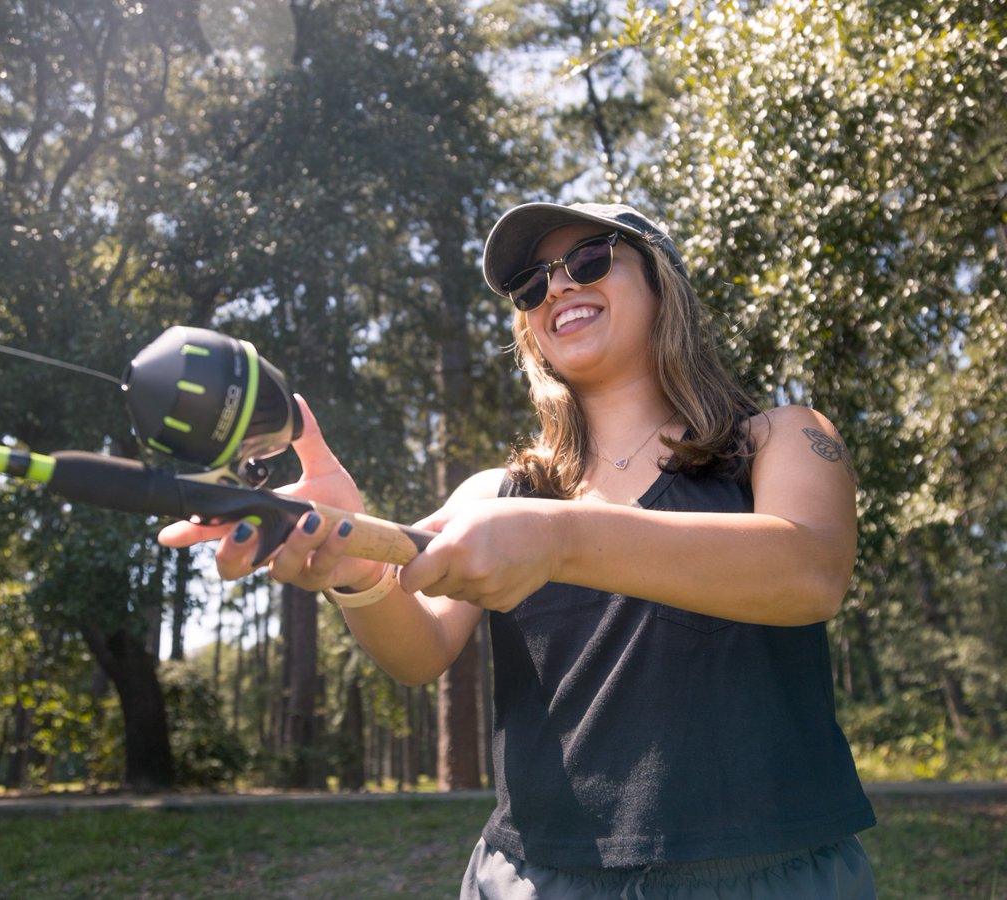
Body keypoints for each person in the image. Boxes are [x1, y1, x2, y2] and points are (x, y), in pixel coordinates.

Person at [159, 201, 878, 898]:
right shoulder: (498, 492)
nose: (556, 287)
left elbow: (810, 573)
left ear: (663, 283)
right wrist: (355, 566)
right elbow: (419, 652)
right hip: (534, 879)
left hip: (769, 872)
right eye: (532, 285)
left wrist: (558, 539)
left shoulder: (780, 438)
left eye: (588, 259)